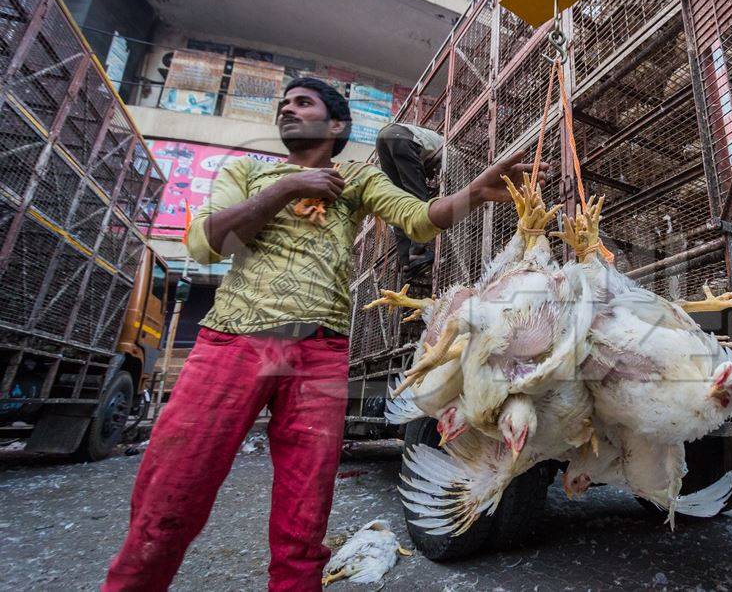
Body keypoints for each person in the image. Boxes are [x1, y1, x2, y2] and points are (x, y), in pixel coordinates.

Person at [102, 77, 548, 591]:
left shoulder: (355, 180)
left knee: (305, 510)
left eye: (303, 103)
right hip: (233, 340)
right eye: (283, 105)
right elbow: (206, 244)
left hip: (319, 352)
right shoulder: (247, 171)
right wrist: (287, 187)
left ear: (336, 124)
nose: (287, 110)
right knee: (172, 493)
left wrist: (473, 193)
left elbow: (418, 218)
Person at [375, 122, 443, 277]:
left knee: (399, 205)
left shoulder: (425, 137)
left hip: (383, 139)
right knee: (418, 198)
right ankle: (417, 253)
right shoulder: (445, 142)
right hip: (401, 137)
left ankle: (406, 261)